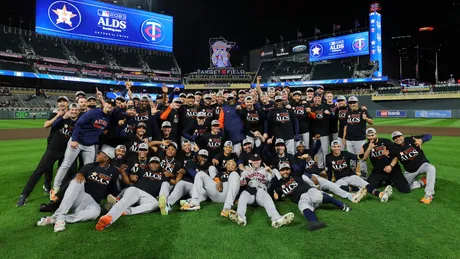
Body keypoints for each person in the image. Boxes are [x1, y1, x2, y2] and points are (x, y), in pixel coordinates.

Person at [37, 146, 119, 232]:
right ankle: (60, 215)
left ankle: (58, 219)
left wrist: (116, 199)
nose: (97, 155)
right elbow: (72, 181)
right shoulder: (90, 166)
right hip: (79, 196)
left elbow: (113, 189)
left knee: (95, 213)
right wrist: (59, 195)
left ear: (106, 158)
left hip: (93, 202)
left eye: (100, 153)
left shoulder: (113, 172)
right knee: (77, 180)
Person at [16, 103, 80, 207]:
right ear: (69, 110)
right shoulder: (62, 118)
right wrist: (62, 117)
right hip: (54, 149)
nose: (74, 112)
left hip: (68, 152)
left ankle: (59, 196)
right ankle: (24, 195)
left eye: (76, 110)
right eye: (72, 110)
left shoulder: (80, 121)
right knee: (39, 170)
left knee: (70, 173)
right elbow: (53, 126)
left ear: (78, 111)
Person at [51, 99, 116, 195]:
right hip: (78, 141)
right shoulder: (93, 112)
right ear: (104, 103)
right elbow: (78, 124)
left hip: (90, 145)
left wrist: (126, 90)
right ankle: (56, 187)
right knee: (66, 164)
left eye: (112, 105)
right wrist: (74, 139)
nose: (110, 106)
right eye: (108, 103)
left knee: (89, 167)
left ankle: (83, 188)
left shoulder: (108, 117)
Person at [95, 156, 170, 231]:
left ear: (159, 165)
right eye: (152, 163)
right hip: (136, 189)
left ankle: (125, 211)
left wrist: (173, 174)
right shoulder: (142, 170)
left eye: (156, 163)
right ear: (149, 164)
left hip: (148, 196)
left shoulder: (164, 175)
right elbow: (130, 176)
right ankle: (109, 217)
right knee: (125, 201)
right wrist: (131, 175)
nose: (154, 165)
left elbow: (174, 182)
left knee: (156, 204)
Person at [271, 163, 351, 231]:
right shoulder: (279, 185)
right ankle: (314, 222)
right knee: (302, 206)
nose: (285, 172)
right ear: (280, 172)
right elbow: (278, 196)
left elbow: (301, 168)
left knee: (317, 197)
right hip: (301, 199)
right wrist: (276, 195)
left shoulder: (295, 175)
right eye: (283, 170)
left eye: (287, 169)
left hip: (309, 191)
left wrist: (303, 159)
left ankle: (341, 205)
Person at [227, 154, 295, 228]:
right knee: (243, 195)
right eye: (254, 160)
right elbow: (240, 182)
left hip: (261, 191)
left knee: (266, 196)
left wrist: (270, 172)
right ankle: (240, 217)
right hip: (250, 191)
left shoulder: (265, 170)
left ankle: (276, 218)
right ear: (251, 161)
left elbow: (273, 181)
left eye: (257, 160)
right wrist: (243, 180)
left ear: (260, 161)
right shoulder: (246, 170)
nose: (256, 162)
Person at [326, 140, 393, 203]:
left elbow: (356, 157)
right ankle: (358, 190)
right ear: (331, 148)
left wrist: (361, 154)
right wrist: (328, 181)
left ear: (340, 147)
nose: (336, 148)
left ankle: (381, 194)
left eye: (338, 146)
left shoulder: (346, 153)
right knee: (336, 187)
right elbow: (329, 170)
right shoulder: (328, 157)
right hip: (340, 180)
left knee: (366, 184)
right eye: (334, 147)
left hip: (351, 176)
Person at [389, 131, 435, 204]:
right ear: (393, 140)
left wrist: (421, 140)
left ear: (402, 136)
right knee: (407, 188)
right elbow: (394, 158)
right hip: (409, 171)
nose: (398, 139)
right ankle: (422, 182)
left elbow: (429, 135)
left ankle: (429, 194)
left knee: (431, 168)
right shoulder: (393, 148)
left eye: (399, 136)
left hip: (422, 165)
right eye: (395, 138)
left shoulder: (411, 139)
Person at [360, 128, 410, 193]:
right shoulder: (366, 145)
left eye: (372, 135)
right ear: (366, 136)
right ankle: (385, 181)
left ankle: (389, 180)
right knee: (369, 187)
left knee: (406, 190)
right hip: (378, 171)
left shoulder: (386, 141)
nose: (371, 137)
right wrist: (369, 148)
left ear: (376, 134)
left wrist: (391, 166)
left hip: (392, 170)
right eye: (369, 136)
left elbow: (396, 156)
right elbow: (364, 159)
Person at [342, 96, 373, 178]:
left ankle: (364, 176)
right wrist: (344, 138)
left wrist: (366, 118)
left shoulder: (363, 111)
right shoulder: (347, 112)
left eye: (354, 102)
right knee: (352, 160)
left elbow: (371, 122)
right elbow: (346, 126)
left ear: (357, 103)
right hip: (349, 139)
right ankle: (353, 175)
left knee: (361, 158)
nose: (352, 104)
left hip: (360, 139)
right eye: (350, 103)